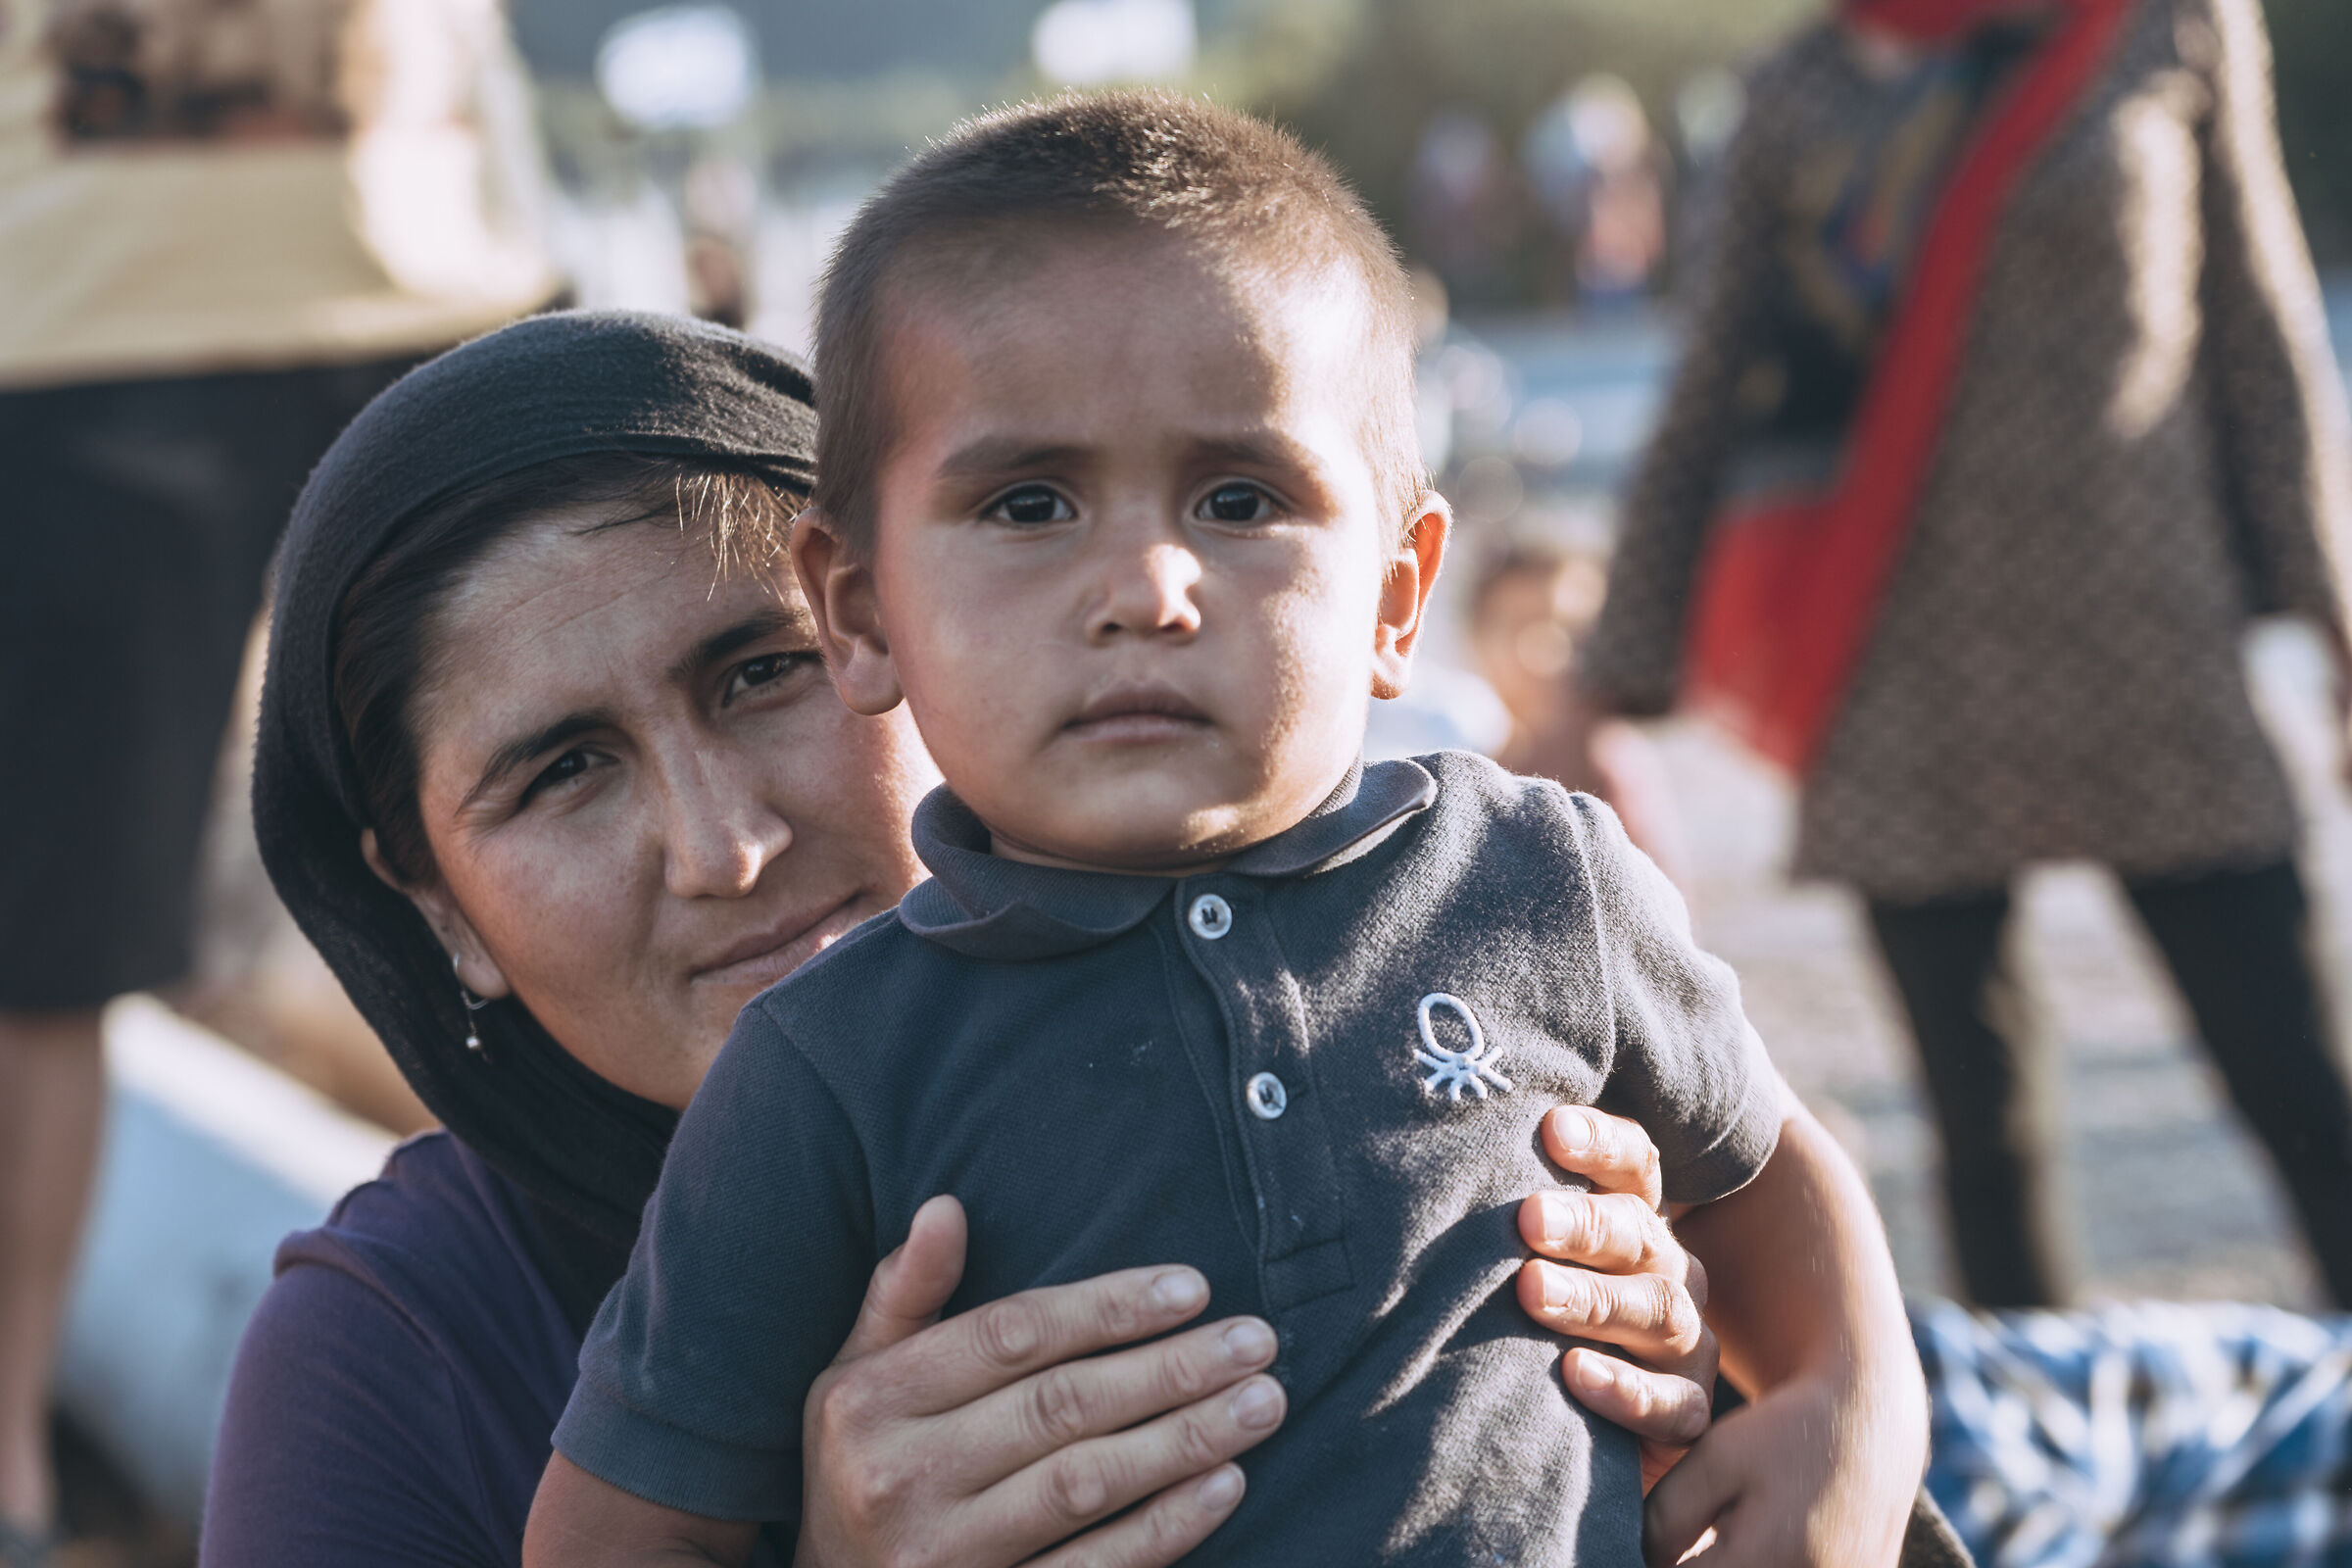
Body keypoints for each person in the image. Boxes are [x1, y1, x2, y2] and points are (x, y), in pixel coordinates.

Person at [526, 95, 1926, 1568]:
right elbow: (616, 1531)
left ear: (1395, 595)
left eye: (1239, 496)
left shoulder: (1536, 879)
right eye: (1028, 503)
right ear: (862, 614)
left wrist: (1847, 1410)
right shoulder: (829, 1068)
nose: (1146, 586)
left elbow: (1763, 1164)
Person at [203, 310, 1765, 1568]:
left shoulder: (1390, 999)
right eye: (561, 773)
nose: (723, 844)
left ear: (900, 623)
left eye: (763, 673)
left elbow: (1780, 1340)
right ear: (432, 907)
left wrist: (1720, 1401)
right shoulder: (404, 1355)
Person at [1565, 0, 2352, 1309]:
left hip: (2148, 634)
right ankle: (2042, 1474)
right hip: (1899, 662)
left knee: (2300, 1081)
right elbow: (1708, 388)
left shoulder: (2164, 28)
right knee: (1983, 1137)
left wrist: (2337, 617)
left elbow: (2260, 333)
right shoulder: (1798, 95)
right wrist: (1602, 683)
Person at [0, 0, 557, 1556]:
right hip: (75, 313)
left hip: (441, 265)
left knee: (578, 848)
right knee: (53, 942)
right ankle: (9, 1488)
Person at [1469, 542, 1687, 880]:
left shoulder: (1605, 759)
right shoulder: (1475, 761)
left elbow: (1660, 912)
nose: (1543, 651)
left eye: (1569, 629)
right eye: (1514, 627)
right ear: (1474, 639)